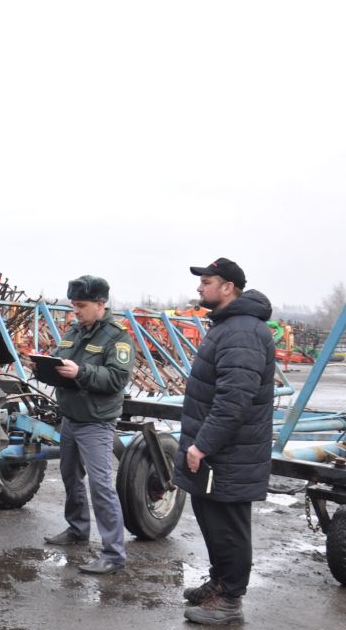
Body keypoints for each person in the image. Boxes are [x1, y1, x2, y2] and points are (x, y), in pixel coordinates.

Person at [175, 257, 274, 626]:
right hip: (220, 450)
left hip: (229, 453)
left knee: (228, 527)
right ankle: (219, 583)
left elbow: (234, 400)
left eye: (208, 281)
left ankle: (230, 601)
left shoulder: (243, 332)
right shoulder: (229, 327)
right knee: (214, 522)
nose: (200, 287)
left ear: (228, 286)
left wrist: (203, 446)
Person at [43, 275, 133, 575]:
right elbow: (60, 359)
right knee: (70, 477)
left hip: (96, 422)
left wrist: (80, 372)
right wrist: (44, 365)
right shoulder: (73, 331)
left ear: (100, 304)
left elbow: (116, 379)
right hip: (71, 418)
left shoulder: (117, 337)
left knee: (101, 486)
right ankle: (78, 529)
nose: (75, 312)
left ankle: (113, 553)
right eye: (73, 306)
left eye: (80, 306)